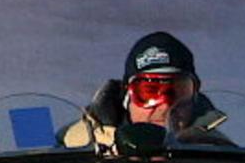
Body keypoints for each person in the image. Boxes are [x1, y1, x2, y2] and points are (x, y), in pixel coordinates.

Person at [62, 31, 227, 148]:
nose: (165, 106)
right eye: (150, 91)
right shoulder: (74, 146)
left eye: (178, 93)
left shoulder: (215, 154)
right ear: (128, 96)